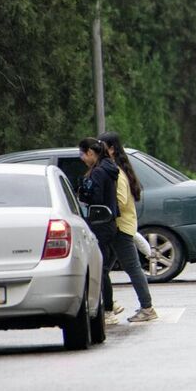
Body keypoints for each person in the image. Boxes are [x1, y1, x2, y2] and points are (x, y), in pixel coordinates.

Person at [99, 132, 157, 322]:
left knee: (132, 268)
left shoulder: (116, 172)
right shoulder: (115, 169)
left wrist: (104, 205)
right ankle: (110, 304)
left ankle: (147, 308)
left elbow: (122, 201)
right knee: (104, 269)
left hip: (120, 228)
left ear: (112, 149)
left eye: (102, 146)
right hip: (120, 227)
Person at [76, 138, 124, 323]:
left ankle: (109, 310)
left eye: (82, 154)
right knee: (102, 268)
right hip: (109, 222)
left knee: (100, 269)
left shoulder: (98, 173)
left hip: (100, 224)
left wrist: (83, 192)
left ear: (90, 152)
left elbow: (95, 199)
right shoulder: (108, 169)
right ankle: (110, 304)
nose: (81, 158)